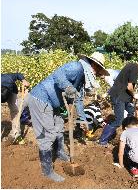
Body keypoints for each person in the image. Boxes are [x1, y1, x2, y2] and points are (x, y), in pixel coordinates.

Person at [27, 52, 109, 182]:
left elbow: (79, 100)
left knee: (59, 127)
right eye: (99, 71)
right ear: (94, 65)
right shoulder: (76, 67)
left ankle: (59, 153)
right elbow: (58, 75)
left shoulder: (82, 78)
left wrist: (83, 119)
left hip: (54, 104)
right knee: (47, 135)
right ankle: (47, 171)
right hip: (41, 99)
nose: (99, 75)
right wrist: (68, 87)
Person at [98, 55, 138, 147]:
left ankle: (128, 134)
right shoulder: (136, 69)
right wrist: (134, 95)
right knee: (119, 120)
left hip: (124, 96)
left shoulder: (131, 65)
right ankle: (102, 140)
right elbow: (129, 87)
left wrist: (131, 97)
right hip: (119, 96)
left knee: (131, 113)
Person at [1, 73, 30, 144]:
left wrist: (23, 80)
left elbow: (17, 74)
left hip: (11, 91)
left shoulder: (8, 78)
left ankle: (16, 134)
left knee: (15, 111)